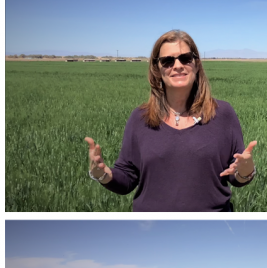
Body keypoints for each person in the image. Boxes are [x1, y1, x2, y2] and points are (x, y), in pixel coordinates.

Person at [84, 30, 257, 211]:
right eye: (167, 61)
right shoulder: (140, 118)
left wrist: (245, 172)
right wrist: (103, 174)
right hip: (152, 231)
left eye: (185, 58)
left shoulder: (222, 114)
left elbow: (235, 174)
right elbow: (127, 177)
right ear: (157, 69)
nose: (177, 66)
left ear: (196, 64)